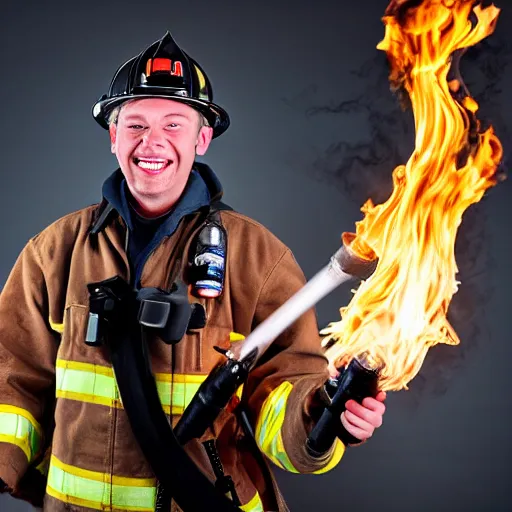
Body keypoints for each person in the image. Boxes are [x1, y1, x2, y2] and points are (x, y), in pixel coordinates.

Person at [0, 31, 386, 511]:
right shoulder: (53, 252)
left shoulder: (257, 258)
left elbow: (285, 390)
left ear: (202, 138)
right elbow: (12, 381)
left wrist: (321, 416)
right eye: (135, 125)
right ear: (113, 137)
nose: (153, 142)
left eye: (175, 124)